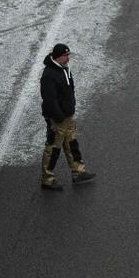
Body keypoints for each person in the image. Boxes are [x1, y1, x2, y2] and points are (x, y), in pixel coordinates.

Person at [39, 43, 95, 190]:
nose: (68, 58)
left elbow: (69, 91)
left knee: (72, 145)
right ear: (58, 57)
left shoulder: (64, 69)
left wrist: (70, 109)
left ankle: (78, 172)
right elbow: (49, 99)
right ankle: (47, 179)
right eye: (66, 55)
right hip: (58, 119)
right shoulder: (49, 75)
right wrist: (59, 116)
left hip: (67, 116)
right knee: (53, 149)